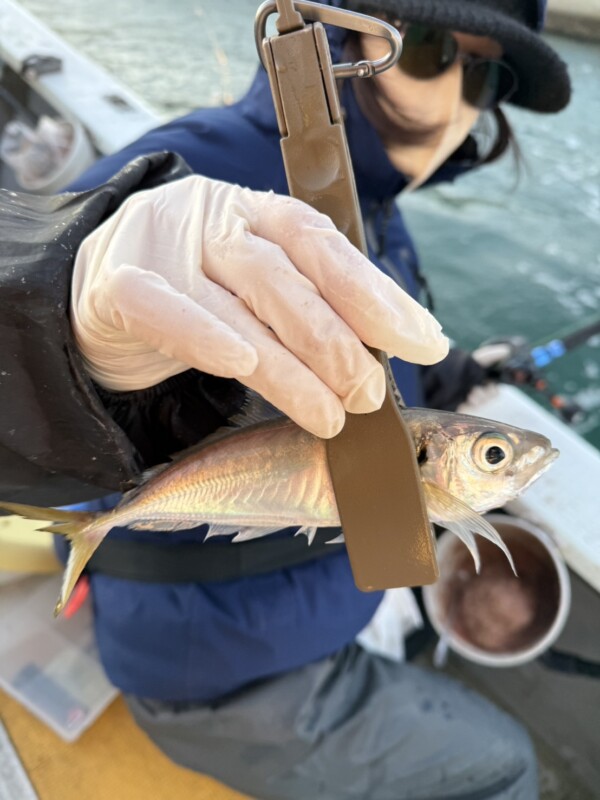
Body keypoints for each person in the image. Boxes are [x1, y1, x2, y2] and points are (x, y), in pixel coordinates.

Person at [0, 0, 571, 798]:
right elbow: (48, 294)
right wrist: (59, 324)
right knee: (506, 766)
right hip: (221, 668)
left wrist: (452, 371)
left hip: (313, 609)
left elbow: (370, 365)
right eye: (433, 49)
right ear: (343, 33)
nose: (452, 100)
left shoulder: (368, 201)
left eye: (486, 73)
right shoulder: (197, 173)